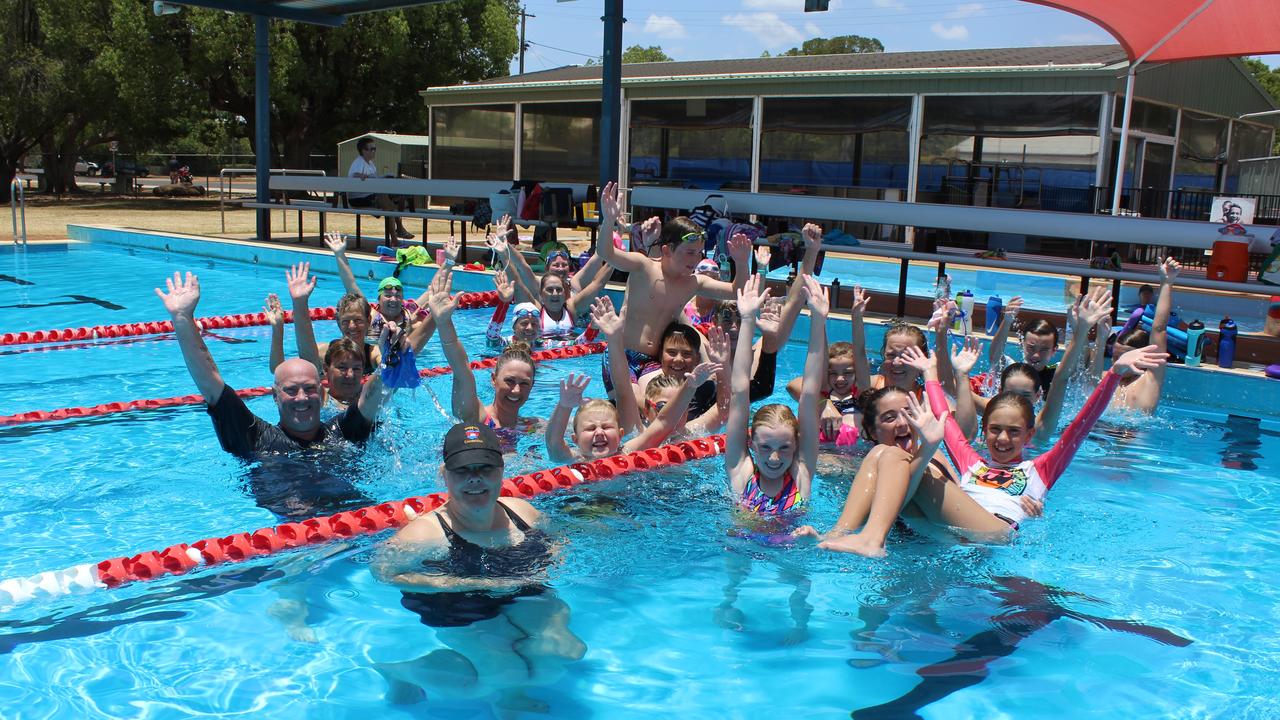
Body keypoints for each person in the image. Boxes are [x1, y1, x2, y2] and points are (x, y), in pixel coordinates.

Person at [372, 422, 585, 704]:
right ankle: (404, 672)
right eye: (463, 471)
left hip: (517, 587)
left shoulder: (523, 512)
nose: (475, 479)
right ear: (444, 475)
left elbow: (559, 539)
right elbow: (382, 571)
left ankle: (511, 693)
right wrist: (454, 584)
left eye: (485, 468)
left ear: (501, 472)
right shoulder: (426, 534)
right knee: (501, 672)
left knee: (567, 650)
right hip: (454, 603)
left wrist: (556, 558)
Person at [902, 342, 1166, 535]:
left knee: (916, 471)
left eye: (1014, 431)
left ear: (1029, 434)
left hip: (997, 532)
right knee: (889, 458)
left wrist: (1114, 374)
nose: (1002, 438)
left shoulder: (1039, 469)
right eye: (995, 429)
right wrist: (929, 372)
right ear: (984, 430)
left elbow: (1081, 425)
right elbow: (944, 420)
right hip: (956, 535)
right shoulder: (972, 463)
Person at [155, 271, 395, 460]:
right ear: (274, 396)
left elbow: (372, 393)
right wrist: (182, 319)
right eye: (291, 390)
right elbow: (211, 384)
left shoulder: (342, 432)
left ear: (321, 391)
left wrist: (390, 355)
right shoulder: (257, 438)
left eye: (309, 389)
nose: (302, 398)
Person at [593, 181, 748, 396]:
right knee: (633, 406)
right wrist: (609, 221)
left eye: (699, 253)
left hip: (653, 362)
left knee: (660, 405)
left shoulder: (694, 283)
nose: (696, 259)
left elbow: (736, 291)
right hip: (621, 353)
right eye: (689, 252)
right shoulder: (643, 267)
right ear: (667, 250)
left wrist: (741, 262)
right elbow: (605, 253)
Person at [725, 274, 826, 526]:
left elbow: (811, 393)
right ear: (750, 442)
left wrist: (819, 320)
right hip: (741, 553)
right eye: (766, 447)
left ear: (797, 445)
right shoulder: (741, 470)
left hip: (791, 557)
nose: (774, 458)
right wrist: (747, 319)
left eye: (784, 448)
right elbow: (739, 392)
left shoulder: (800, 471)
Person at [593, 296, 730, 439]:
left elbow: (724, 410)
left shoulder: (692, 432)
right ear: (646, 410)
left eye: (681, 406)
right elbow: (624, 392)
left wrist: (723, 365)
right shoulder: (638, 435)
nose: (673, 413)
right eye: (662, 406)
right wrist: (614, 339)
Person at [427, 269, 539, 440]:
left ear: (532, 385)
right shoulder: (476, 417)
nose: (516, 390)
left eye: (524, 383)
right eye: (509, 381)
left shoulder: (531, 426)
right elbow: (461, 369)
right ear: (493, 380)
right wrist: (443, 323)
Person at [1103, 257, 1181, 413]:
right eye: (1114, 357)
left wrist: (1166, 283)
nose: (1117, 362)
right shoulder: (1106, 377)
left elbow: (1159, 329)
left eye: (1123, 357)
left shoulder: (1150, 379)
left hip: (1134, 436)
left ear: (1144, 358)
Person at [347, 136, 413, 242]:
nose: (374, 151)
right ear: (364, 151)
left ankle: (398, 232)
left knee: (393, 200)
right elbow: (355, 175)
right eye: (371, 149)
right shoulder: (359, 162)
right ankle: (396, 236)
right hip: (358, 199)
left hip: (370, 196)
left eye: (375, 149)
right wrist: (362, 176)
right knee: (388, 206)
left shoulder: (371, 164)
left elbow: (375, 180)